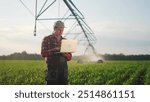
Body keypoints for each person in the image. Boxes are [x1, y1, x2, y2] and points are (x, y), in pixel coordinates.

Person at [41, 21, 72, 85]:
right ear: (54, 28)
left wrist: (64, 53)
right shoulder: (47, 39)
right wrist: (54, 50)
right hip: (52, 68)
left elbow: (70, 57)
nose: (61, 32)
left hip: (64, 69)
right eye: (59, 30)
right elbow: (43, 53)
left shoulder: (65, 40)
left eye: (62, 30)